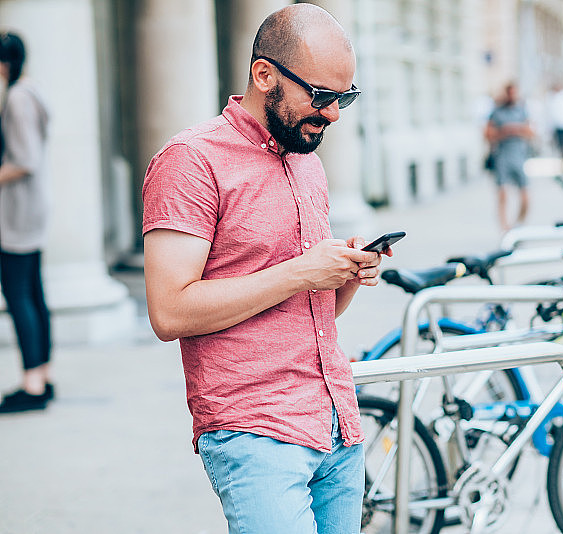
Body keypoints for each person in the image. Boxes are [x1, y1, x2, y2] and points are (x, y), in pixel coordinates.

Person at [142, 5, 387, 533]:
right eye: (321, 96)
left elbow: (312, 311)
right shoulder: (190, 160)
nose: (334, 114)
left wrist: (343, 275)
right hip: (255, 431)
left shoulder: (306, 158)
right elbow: (169, 311)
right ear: (264, 75)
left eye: (345, 97)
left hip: (336, 424)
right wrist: (303, 271)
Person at [0, 32, 53, 414]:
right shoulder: (29, 91)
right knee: (32, 292)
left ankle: (32, 383)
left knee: (19, 295)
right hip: (29, 208)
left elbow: (25, 160)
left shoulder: (17, 97)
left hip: (16, 211)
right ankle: (42, 377)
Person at [484, 82, 535, 232]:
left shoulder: (522, 111)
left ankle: (518, 225)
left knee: (526, 197)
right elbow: (487, 134)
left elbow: (531, 132)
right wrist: (504, 132)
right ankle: (505, 228)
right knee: (503, 195)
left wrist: (518, 129)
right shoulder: (497, 112)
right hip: (502, 157)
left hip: (519, 157)